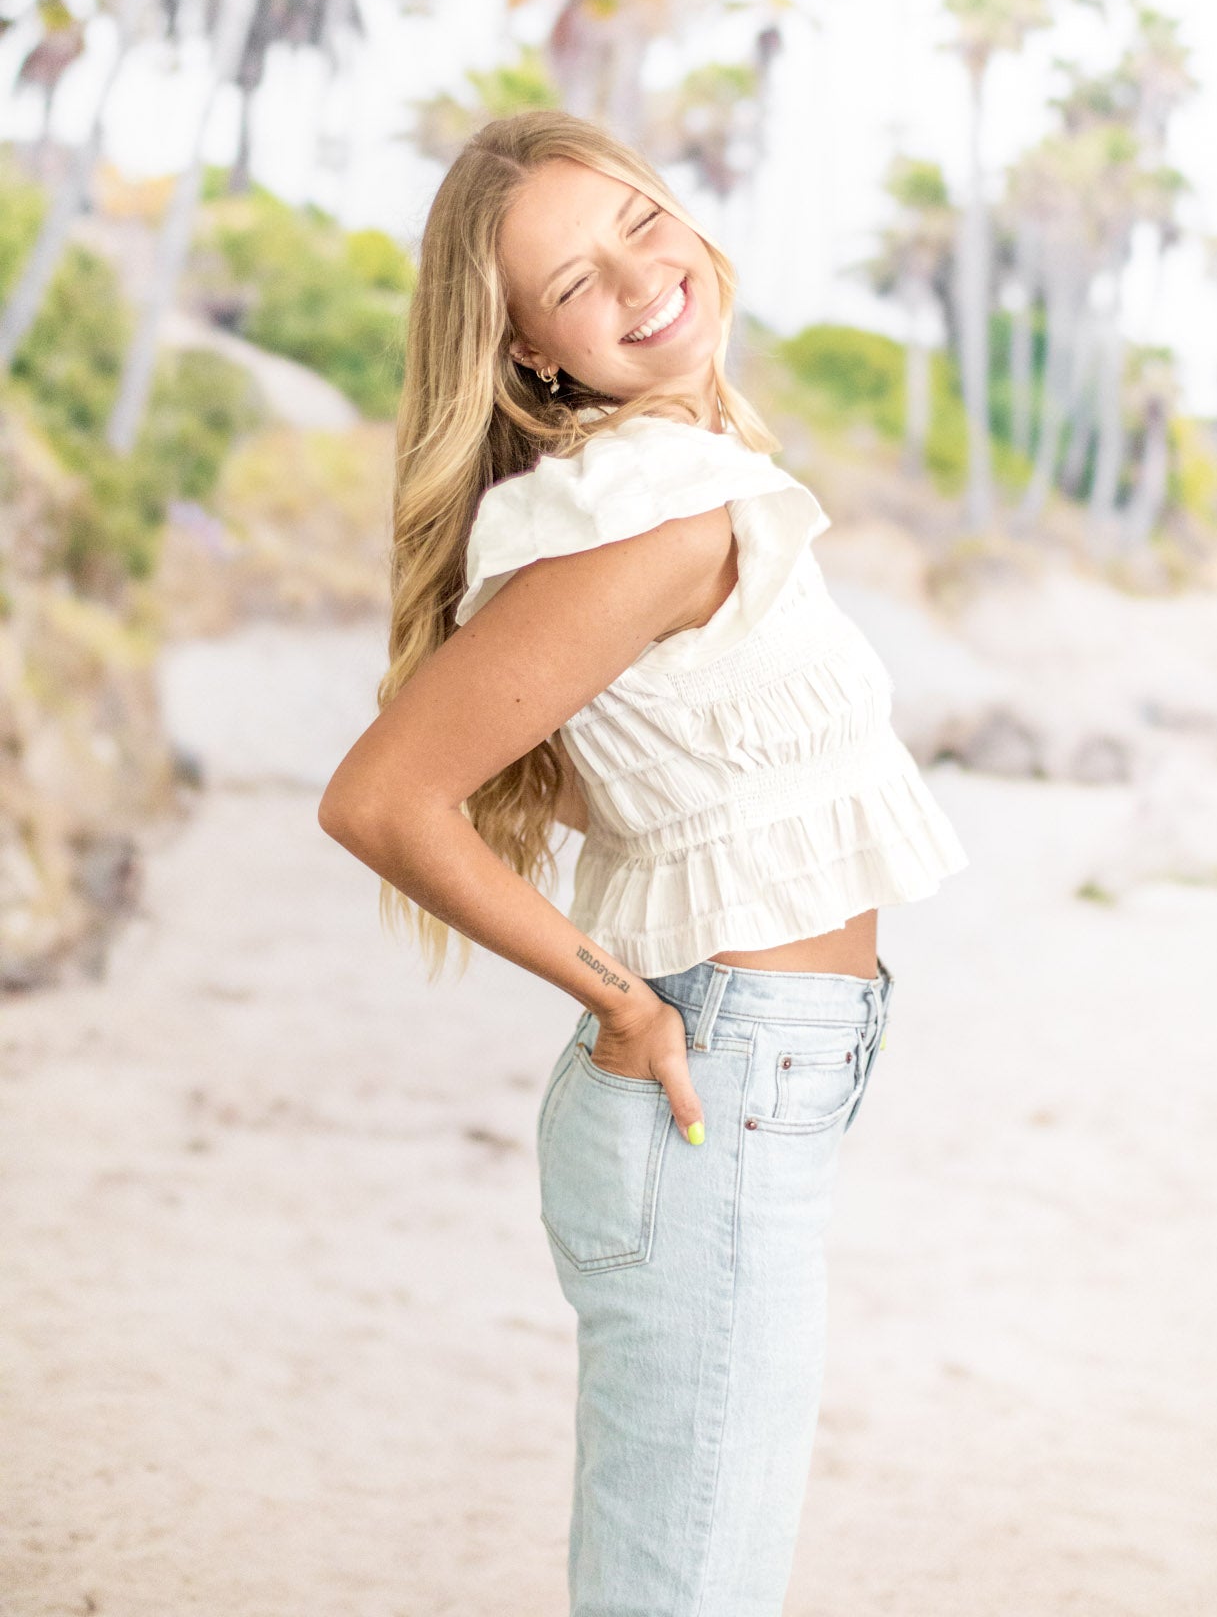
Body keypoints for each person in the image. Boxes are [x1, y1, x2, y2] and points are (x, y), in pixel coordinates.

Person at [317, 109, 969, 1616]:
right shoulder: (640, 519)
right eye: (569, 283)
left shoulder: (670, 475)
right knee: (688, 1584)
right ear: (533, 355)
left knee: (696, 1568)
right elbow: (383, 799)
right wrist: (627, 1004)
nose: (636, 279)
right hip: (713, 1074)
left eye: (635, 222)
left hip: (759, 1072)